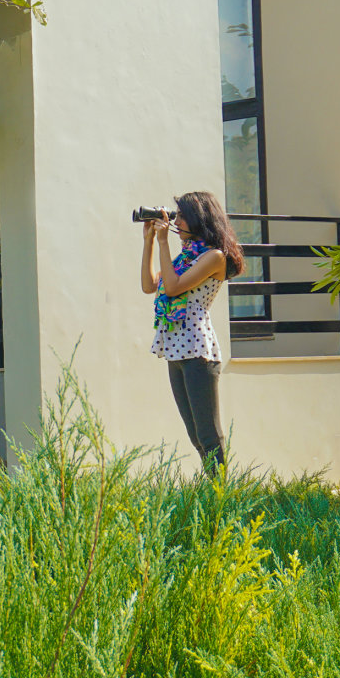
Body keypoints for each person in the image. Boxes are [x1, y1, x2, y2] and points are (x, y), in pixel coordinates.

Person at [138, 190, 244, 473]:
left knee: (208, 433)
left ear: (200, 219)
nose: (177, 221)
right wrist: (149, 241)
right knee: (195, 434)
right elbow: (150, 285)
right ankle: (212, 490)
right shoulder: (184, 259)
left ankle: (222, 494)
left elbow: (172, 288)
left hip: (198, 351)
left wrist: (163, 242)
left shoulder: (214, 257)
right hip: (176, 349)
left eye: (182, 216)